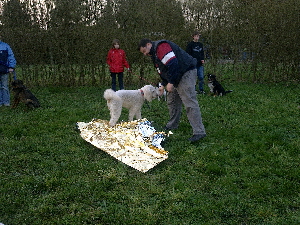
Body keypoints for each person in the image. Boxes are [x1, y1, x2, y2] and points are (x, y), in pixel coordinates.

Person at [138, 39, 206, 142]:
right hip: (176, 75)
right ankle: (172, 125)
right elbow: (163, 71)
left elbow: (173, 64)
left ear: (148, 44)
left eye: (144, 51)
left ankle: (199, 132)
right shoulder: (154, 55)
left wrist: (171, 83)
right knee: (172, 101)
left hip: (186, 72)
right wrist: (163, 84)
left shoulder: (161, 47)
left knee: (189, 101)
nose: (145, 54)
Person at [0, 35, 16, 107]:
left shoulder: (6, 46)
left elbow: (11, 56)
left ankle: (6, 103)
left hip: (4, 70)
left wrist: (11, 66)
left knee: (5, 87)